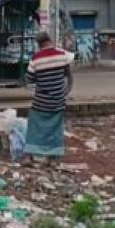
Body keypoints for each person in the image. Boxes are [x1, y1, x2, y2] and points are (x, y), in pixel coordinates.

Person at [23, 33, 74, 163]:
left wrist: (41, 89)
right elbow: (69, 76)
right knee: (56, 129)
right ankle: (53, 158)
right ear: (50, 40)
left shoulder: (35, 59)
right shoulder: (62, 55)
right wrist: (64, 93)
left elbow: (30, 83)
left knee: (34, 127)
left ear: (39, 45)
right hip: (58, 102)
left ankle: (29, 155)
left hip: (41, 103)